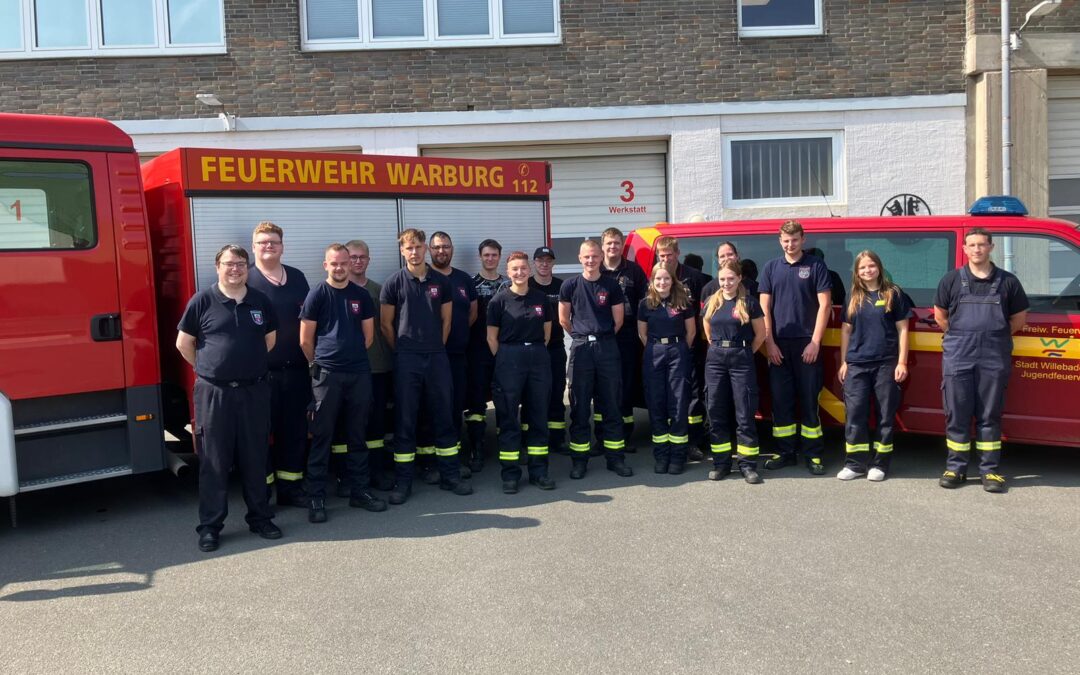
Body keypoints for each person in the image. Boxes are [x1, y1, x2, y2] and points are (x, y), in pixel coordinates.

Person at [176, 244, 281, 552]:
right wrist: (209, 369)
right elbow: (184, 343)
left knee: (256, 456)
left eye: (240, 264)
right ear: (217, 266)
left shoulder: (260, 301)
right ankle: (210, 527)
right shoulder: (202, 300)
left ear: (247, 268)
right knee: (214, 461)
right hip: (214, 394)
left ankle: (260, 518)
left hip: (254, 391)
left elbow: (269, 341)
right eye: (229, 264)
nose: (235, 269)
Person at [933, 228, 1028, 493]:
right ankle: (956, 468)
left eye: (982, 245)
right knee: (957, 412)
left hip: (993, 354)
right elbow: (940, 315)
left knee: (990, 413)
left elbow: (1019, 319)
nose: (977, 249)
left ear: (991, 247)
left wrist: (993, 337)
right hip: (958, 354)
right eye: (972, 245)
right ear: (964, 249)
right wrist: (963, 337)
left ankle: (990, 471)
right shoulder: (951, 280)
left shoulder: (1008, 281)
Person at [381, 229, 472, 504]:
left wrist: (435, 346)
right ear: (402, 251)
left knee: (444, 414)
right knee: (405, 419)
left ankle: (450, 475)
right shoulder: (394, 283)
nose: (414, 252)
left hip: (436, 357)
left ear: (425, 249)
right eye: (409, 248)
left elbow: (446, 321)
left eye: (419, 247)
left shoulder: (440, 282)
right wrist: (403, 351)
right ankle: (404, 481)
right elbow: (386, 324)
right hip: (407, 358)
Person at [299, 244, 387, 523]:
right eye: (334, 263)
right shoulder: (317, 294)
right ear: (326, 265)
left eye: (344, 263)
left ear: (351, 264)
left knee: (357, 434)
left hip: (359, 373)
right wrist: (321, 365)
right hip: (327, 375)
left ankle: (359, 491)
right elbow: (305, 339)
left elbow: (369, 337)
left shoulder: (361, 295)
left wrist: (351, 359)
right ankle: (316, 496)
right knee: (323, 436)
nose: (339, 268)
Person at [758, 221, 832, 475]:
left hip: (806, 344)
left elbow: (825, 306)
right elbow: (764, 308)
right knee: (781, 402)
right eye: (786, 240)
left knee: (810, 402)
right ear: (780, 241)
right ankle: (785, 452)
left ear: (803, 239)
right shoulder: (770, 268)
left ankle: (813, 454)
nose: (790, 244)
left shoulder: (816, 266)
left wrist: (815, 341)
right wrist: (769, 343)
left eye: (795, 240)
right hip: (778, 345)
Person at [246, 221, 311, 508]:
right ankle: (262, 495)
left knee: (295, 432)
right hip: (262, 375)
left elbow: (311, 322)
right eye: (262, 242)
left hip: (296, 370)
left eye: (273, 241)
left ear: (282, 246)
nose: (268, 246)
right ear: (253, 247)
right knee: (260, 436)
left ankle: (291, 489)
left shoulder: (298, 278)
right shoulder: (245, 281)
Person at [559, 239, 633, 479]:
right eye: (586, 257)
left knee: (612, 405)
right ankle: (579, 461)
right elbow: (563, 320)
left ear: (601, 257)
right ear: (579, 258)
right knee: (580, 407)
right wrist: (581, 337)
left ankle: (615, 459)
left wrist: (600, 338)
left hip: (607, 348)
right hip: (581, 349)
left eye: (594, 256)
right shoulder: (570, 285)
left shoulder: (611, 286)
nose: (590, 261)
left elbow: (618, 321)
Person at [837, 251, 912, 482]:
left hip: (885, 363)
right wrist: (844, 362)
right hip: (857, 364)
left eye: (871, 266)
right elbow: (846, 330)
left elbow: (903, 329)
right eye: (862, 268)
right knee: (855, 413)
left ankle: (880, 464)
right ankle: (855, 464)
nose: (867, 271)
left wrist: (901, 361)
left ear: (879, 267)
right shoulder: (854, 295)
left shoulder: (893, 293)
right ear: (857, 272)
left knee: (884, 415)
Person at [487, 251, 556, 493]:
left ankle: (539, 472)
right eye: (515, 269)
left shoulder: (541, 299)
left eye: (523, 268)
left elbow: (547, 334)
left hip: (537, 357)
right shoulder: (499, 301)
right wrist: (508, 357)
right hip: (509, 359)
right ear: (509, 272)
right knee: (508, 418)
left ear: (529, 270)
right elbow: (491, 338)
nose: (520, 272)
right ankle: (510, 474)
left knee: (538, 416)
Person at [702, 260, 766, 484]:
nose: (726, 283)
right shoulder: (712, 302)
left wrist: (746, 352)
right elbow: (707, 327)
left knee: (744, 412)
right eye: (722, 279)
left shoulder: (749, 302)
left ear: (739, 278)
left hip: (741, 357)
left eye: (731, 278)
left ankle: (747, 465)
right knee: (716, 411)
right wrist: (716, 346)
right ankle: (721, 464)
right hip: (716, 358)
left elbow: (761, 334)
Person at [345, 239, 395, 491]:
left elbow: (386, 327)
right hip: (346, 370)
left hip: (376, 366)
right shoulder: (333, 290)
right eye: (352, 256)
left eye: (362, 257)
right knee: (347, 423)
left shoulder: (378, 290)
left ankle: (377, 472)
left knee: (376, 422)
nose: (357, 261)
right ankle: (348, 476)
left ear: (368, 259)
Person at [636, 264, 695, 474]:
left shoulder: (683, 302)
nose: (662, 283)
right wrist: (657, 347)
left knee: (678, 404)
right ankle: (661, 455)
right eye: (658, 279)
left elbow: (691, 332)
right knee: (656, 403)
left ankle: (678, 456)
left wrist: (676, 348)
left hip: (678, 350)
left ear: (673, 280)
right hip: (654, 351)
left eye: (666, 279)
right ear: (652, 281)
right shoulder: (645, 304)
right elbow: (642, 334)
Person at [429, 231, 478, 480]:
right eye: (436, 247)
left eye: (445, 246)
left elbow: (472, 314)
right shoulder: (424, 278)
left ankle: (454, 458)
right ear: (429, 250)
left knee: (455, 406)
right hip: (431, 356)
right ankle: (431, 462)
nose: (441, 251)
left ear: (452, 249)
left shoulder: (464, 280)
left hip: (458, 354)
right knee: (432, 407)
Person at [655, 236, 710, 458]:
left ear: (677, 253)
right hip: (664, 349)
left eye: (669, 254)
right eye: (662, 255)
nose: (666, 259)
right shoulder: (656, 277)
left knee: (694, 395)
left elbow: (703, 312)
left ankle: (693, 441)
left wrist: (688, 346)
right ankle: (671, 439)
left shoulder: (694, 278)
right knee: (670, 395)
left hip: (690, 346)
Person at [600, 227, 648, 449]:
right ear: (603, 246)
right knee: (602, 387)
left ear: (622, 246)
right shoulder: (595, 270)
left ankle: (625, 435)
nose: (613, 247)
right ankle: (601, 437)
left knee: (626, 384)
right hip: (601, 337)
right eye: (609, 243)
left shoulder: (634, 271)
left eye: (617, 243)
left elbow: (645, 304)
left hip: (628, 335)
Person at [464, 238, 507, 473]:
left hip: (503, 351)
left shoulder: (509, 283)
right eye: (486, 255)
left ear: (500, 257)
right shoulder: (470, 283)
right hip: (477, 351)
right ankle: (477, 449)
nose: (490, 258)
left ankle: (506, 447)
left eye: (494, 255)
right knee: (476, 402)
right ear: (480, 257)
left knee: (504, 399)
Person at [529, 246, 568, 454]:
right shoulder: (527, 286)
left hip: (555, 348)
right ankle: (534, 437)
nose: (544, 264)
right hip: (533, 350)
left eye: (548, 260)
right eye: (540, 260)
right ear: (534, 263)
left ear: (553, 263)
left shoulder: (562, 286)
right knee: (533, 395)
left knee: (556, 391)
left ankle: (557, 438)